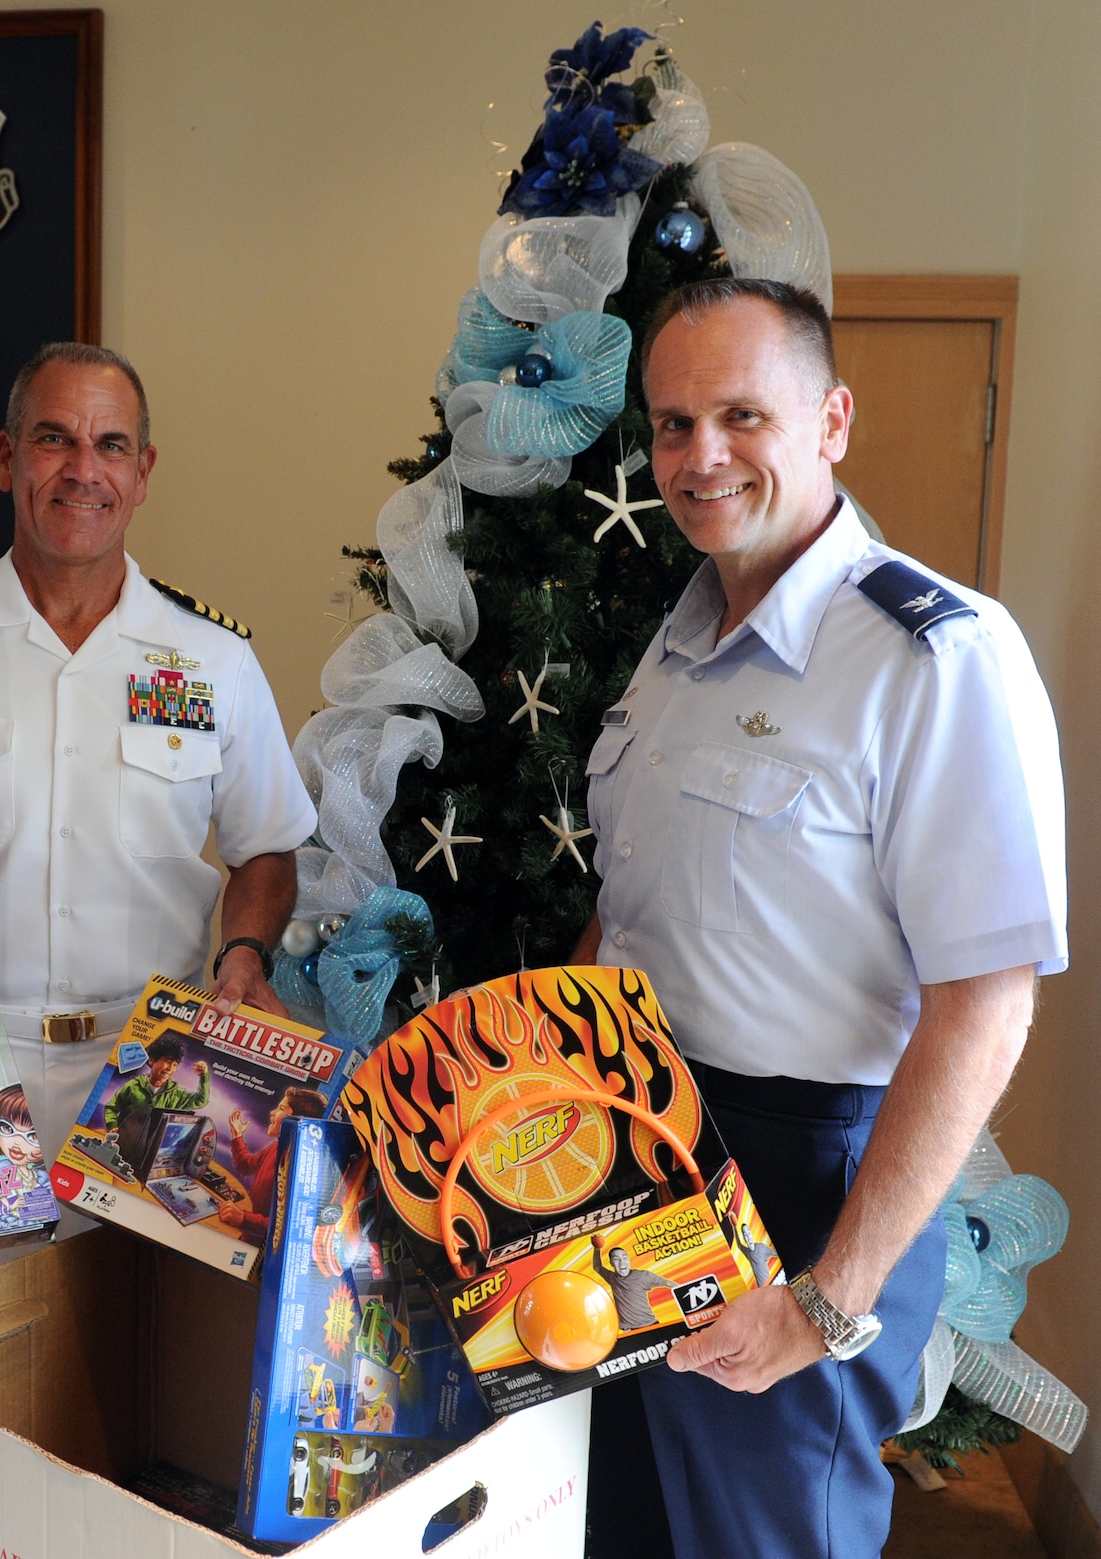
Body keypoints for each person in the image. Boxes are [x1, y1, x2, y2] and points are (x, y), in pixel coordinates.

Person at [575, 278, 1065, 1559]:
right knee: (618, 1530)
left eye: (742, 414)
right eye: (671, 424)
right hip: (641, 1161)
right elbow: (623, 919)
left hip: (803, 1187)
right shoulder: (672, 647)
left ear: (830, 420)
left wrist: (828, 1299)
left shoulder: (935, 658)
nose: (699, 456)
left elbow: (986, 1001)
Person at [0, 341, 316, 1295]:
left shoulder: (211, 659)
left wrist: (243, 954)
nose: (83, 469)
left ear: (143, 471)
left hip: (155, 1062)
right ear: (5, 458)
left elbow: (266, 847)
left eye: (111, 444)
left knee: (143, 1343)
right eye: (54, 439)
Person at [219, 1085, 329, 1244]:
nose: (272, 1112)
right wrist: (237, 1136)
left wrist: (243, 1218)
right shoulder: (276, 1148)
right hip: (244, 1236)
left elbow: (287, 1226)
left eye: (281, 1108)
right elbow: (245, 1166)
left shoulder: (302, 1169)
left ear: (297, 1120)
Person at [103, 1035, 209, 1130]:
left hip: (150, 1148)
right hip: (124, 1141)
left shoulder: (176, 1095)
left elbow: (201, 1101)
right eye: (167, 1061)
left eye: (175, 1064)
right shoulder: (133, 1086)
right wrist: (112, 1125)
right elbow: (111, 1108)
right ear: (151, 1060)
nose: (170, 1068)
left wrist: (204, 1075)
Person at [591, 1237, 669, 1331]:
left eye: (624, 1258)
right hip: (630, 1329)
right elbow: (597, 1267)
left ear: (628, 1260)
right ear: (611, 1263)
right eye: (616, 1259)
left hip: (651, 1325)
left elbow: (667, 1282)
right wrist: (597, 1247)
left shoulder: (641, 1276)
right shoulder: (612, 1278)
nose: (621, 1262)